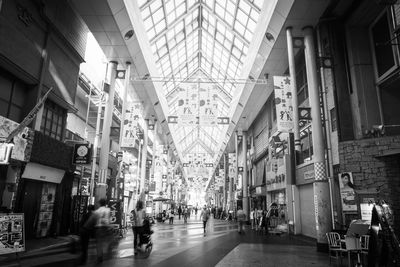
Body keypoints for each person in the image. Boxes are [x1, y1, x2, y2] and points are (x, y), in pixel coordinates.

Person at [94, 198, 111, 263]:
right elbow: (109, 219)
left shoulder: (97, 211)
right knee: (107, 241)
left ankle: (100, 256)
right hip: (106, 228)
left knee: (99, 243)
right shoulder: (108, 210)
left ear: (100, 203)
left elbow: (95, 220)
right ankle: (106, 251)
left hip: (99, 228)